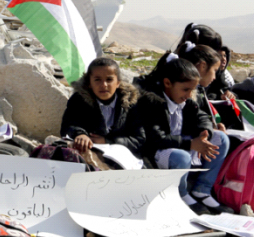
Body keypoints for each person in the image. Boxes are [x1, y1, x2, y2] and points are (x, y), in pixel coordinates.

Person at [130, 53, 233, 215]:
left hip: (181, 142)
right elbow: (157, 139)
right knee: (182, 157)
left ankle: (202, 190)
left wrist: (203, 132)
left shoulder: (186, 100)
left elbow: (202, 116)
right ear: (167, 83)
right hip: (158, 151)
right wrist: (191, 144)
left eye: (191, 90)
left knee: (221, 139)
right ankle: (181, 193)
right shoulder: (151, 102)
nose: (188, 94)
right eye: (185, 89)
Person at [60, 57, 144, 157]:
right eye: (97, 80)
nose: (104, 85)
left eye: (109, 80)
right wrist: (80, 134)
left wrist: (107, 141)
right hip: (89, 153)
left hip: (122, 158)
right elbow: (69, 124)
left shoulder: (130, 103)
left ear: (118, 83)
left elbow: (139, 140)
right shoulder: (79, 100)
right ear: (89, 83)